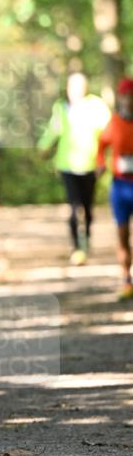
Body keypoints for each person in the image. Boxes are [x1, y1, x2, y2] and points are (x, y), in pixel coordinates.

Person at [37, 73, 110, 265]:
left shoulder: (96, 105)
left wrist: (103, 160)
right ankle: (77, 247)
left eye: (78, 86)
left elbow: (107, 134)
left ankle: (87, 239)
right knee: (74, 207)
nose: (74, 91)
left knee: (87, 207)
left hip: (90, 165)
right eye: (71, 86)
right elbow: (53, 130)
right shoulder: (61, 107)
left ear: (85, 88)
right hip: (67, 165)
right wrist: (43, 147)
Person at [96, 77, 133, 301]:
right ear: (120, 98)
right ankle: (127, 279)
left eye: (131, 96)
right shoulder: (115, 122)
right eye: (125, 96)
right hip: (120, 186)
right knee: (123, 234)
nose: (128, 100)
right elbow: (101, 145)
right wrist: (100, 164)